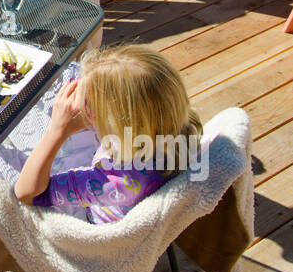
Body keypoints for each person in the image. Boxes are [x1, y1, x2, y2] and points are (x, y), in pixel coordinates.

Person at [12, 44, 203, 223]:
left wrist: (57, 129)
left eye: (91, 105)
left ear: (120, 122)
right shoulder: (184, 128)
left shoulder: (113, 182)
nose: (85, 106)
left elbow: (28, 193)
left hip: (91, 216)